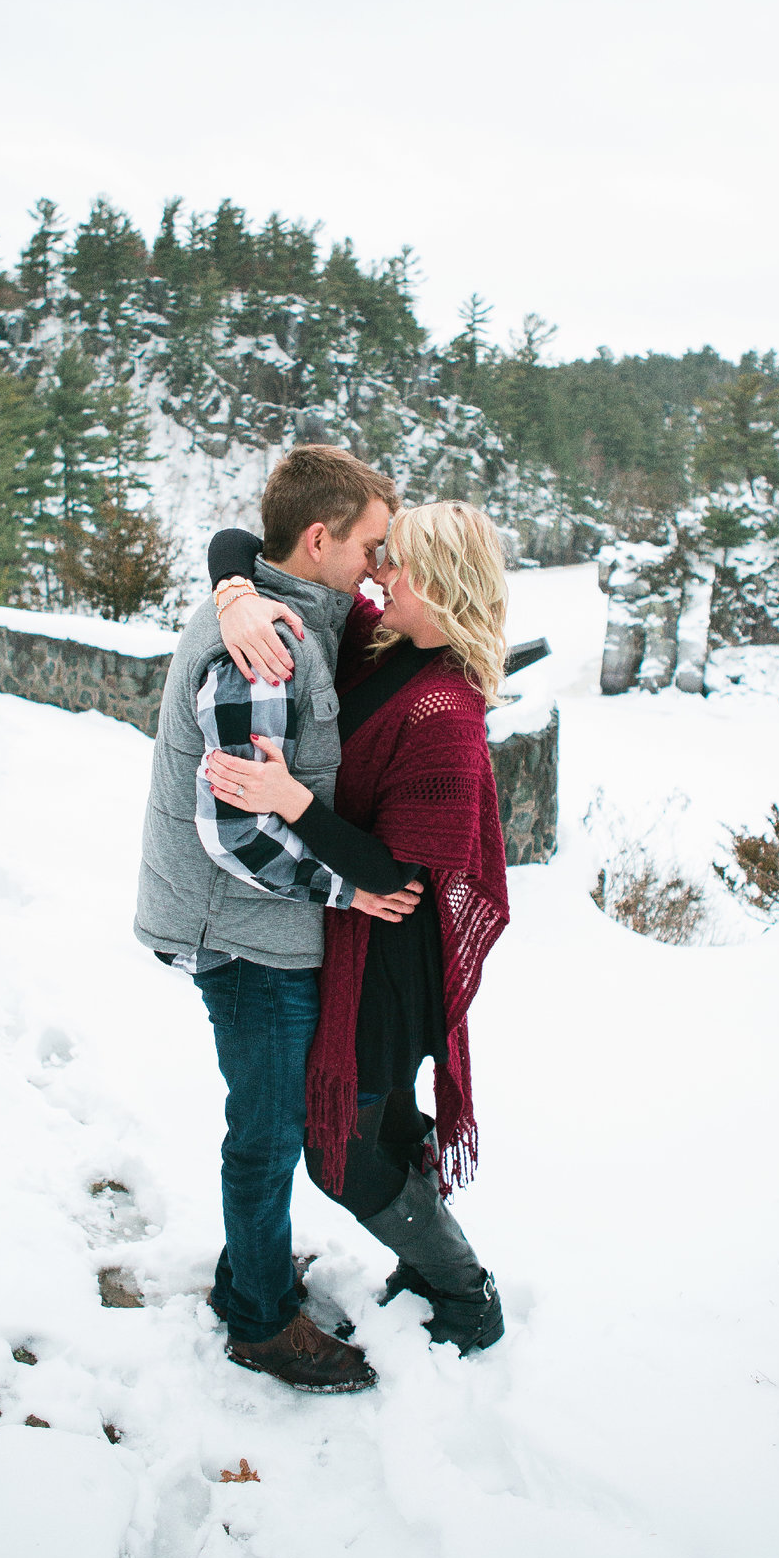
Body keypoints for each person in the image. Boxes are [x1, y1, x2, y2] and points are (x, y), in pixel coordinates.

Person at [200, 500, 513, 1357]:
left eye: (398, 564)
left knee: (340, 1149)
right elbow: (243, 542)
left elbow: (400, 873)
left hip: (390, 947)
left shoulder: (444, 707)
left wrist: (287, 800)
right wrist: (235, 594)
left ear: (441, 584)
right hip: (357, 933)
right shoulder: (384, 640)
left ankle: (462, 1287)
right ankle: (428, 1265)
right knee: (380, 1123)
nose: (380, 574)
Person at [134, 443, 404, 1392]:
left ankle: (248, 1267)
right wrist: (350, 889)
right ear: (321, 537)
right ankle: (257, 1318)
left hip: (258, 927)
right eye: (373, 544)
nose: (382, 563)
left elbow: (242, 542)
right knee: (268, 1127)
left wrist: (232, 580)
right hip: (243, 934)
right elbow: (239, 836)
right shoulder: (266, 648)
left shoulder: (283, 609)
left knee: (267, 1120)